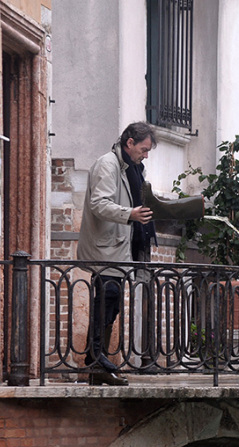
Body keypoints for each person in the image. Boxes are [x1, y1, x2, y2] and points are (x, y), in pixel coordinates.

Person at [78, 122, 158, 385]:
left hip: (120, 248)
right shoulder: (108, 164)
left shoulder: (132, 168)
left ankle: (97, 362)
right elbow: (99, 204)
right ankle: (94, 360)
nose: (146, 155)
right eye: (144, 149)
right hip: (107, 248)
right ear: (129, 143)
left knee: (111, 306)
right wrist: (130, 214)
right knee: (105, 302)